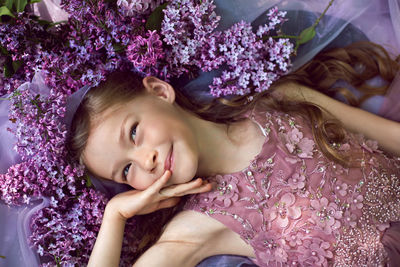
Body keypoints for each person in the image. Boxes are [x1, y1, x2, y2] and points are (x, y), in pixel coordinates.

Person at [67, 41, 400, 267]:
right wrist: (115, 217)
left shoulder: (280, 102)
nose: (145, 160)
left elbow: (392, 137)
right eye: (126, 171)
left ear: (158, 91)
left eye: (134, 133)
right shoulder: (196, 226)